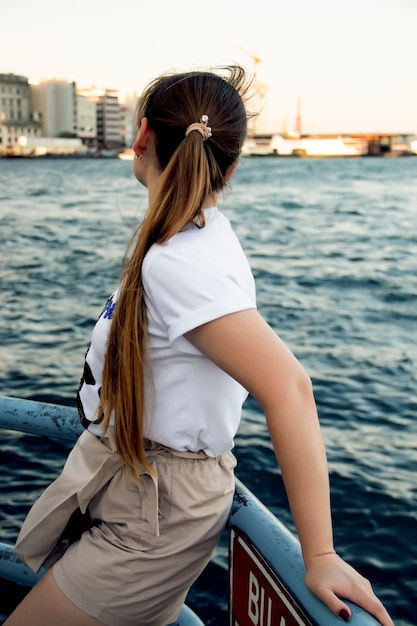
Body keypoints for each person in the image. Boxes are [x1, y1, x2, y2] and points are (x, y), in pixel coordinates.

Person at [6, 65, 393, 626]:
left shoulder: (178, 263)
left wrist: (321, 556)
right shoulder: (194, 238)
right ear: (231, 167)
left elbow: (289, 387)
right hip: (143, 495)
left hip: (152, 519)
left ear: (141, 138)